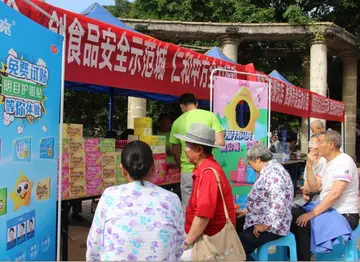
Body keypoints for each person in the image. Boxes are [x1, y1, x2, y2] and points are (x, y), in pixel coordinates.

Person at [86, 141, 184, 261]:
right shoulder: (172, 200)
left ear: (122, 169)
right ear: (153, 167)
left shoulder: (109, 196)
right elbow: (178, 249)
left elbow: (94, 246)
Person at [291, 130, 359, 261]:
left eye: (320, 142)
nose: (316, 146)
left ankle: (304, 258)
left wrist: (312, 214)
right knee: (292, 214)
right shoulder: (328, 162)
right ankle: (295, 256)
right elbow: (314, 187)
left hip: (344, 214)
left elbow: (335, 194)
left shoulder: (344, 162)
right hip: (328, 210)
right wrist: (309, 166)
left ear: (331, 145)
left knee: (303, 223)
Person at [174, 123, 235, 260]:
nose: (185, 150)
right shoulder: (205, 169)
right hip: (205, 237)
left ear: (199, 149)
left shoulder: (208, 174)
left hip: (210, 241)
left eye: (187, 145)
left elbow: (203, 216)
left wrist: (187, 242)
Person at [236, 144, 294, 261]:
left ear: (257, 159)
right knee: (234, 230)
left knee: (235, 248)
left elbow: (279, 202)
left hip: (273, 226)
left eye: (250, 162)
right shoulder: (269, 170)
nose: (250, 166)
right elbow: (266, 199)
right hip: (262, 218)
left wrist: (265, 225)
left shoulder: (273, 174)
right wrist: (248, 211)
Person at [169, 93, 225, 209]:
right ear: (197, 104)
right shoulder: (210, 116)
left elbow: (175, 151)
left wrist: (181, 166)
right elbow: (220, 142)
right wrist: (205, 147)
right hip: (208, 169)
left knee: (189, 208)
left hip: (187, 171)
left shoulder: (177, 122)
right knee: (208, 206)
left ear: (182, 106)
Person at [295, 134, 327, 205]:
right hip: (311, 195)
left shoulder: (324, 161)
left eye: (313, 143)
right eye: (310, 143)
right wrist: (305, 192)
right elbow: (306, 180)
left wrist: (308, 190)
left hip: (322, 197)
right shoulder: (310, 159)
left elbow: (318, 187)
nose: (310, 146)